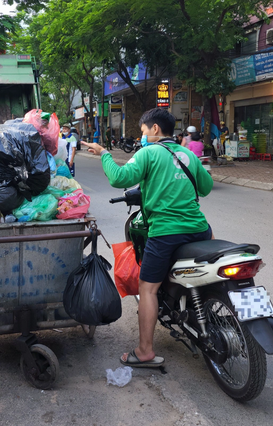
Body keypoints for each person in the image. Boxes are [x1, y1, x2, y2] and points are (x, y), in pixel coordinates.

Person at [83, 108, 213, 368]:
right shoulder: (187, 154)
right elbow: (206, 188)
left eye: (143, 132)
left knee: (148, 288)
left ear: (154, 129)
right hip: (200, 228)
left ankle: (144, 351)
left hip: (165, 231)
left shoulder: (148, 153)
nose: (142, 137)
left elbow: (120, 178)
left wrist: (105, 154)